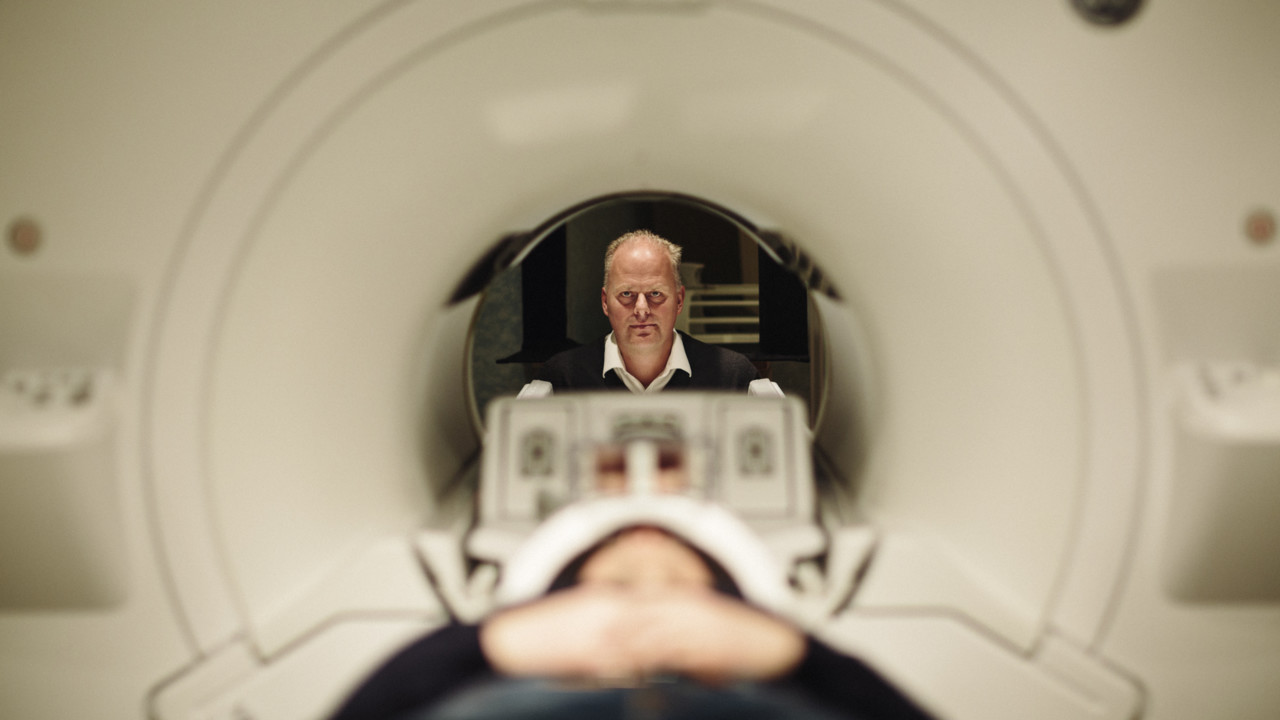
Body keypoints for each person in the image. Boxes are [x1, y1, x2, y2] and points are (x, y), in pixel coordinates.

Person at [326, 527, 937, 720]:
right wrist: (500, 640)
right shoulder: (511, 670)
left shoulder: (769, 671)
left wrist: (786, 650)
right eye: (616, 586)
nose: (649, 607)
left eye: (680, 587)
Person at [535, 230, 759, 393]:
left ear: (679, 300)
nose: (641, 310)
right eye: (626, 294)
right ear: (605, 302)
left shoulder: (734, 378)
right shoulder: (562, 379)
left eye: (655, 294)